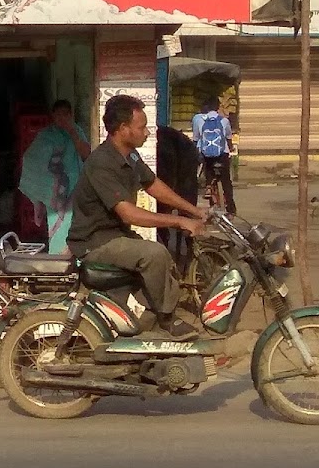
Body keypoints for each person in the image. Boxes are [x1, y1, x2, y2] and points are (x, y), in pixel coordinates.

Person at [68, 94, 207, 340]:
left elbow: (153, 184)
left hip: (115, 235)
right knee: (155, 254)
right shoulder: (102, 162)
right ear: (123, 129)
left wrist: (193, 211)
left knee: (163, 263)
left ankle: (140, 321)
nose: (147, 132)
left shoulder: (129, 156)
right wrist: (178, 221)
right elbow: (127, 213)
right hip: (96, 241)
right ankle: (167, 320)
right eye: (141, 127)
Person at [19, 100, 91, 255]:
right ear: (53, 117)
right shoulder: (46, 135)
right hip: (56, 189)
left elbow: (87, 154)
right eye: (58, 116)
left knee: (76, 224)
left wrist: (72, 133)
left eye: (65, 115)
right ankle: (58, 259)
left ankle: (76, 260)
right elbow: (31, 159)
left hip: (76, 188)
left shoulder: (77, 131)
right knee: (58, 226)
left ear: (71, 115)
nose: (61, 119)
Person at [192, 96, 237, 213]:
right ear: (217, 107)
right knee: (226, 181)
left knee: (208, 172)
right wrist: (230, 147)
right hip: (222, 154)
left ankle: (209, 187)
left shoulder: (198, 119)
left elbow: (196, 139)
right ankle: (231, 209)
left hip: (207, 155)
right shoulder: (224, 121)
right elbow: (228, 138)